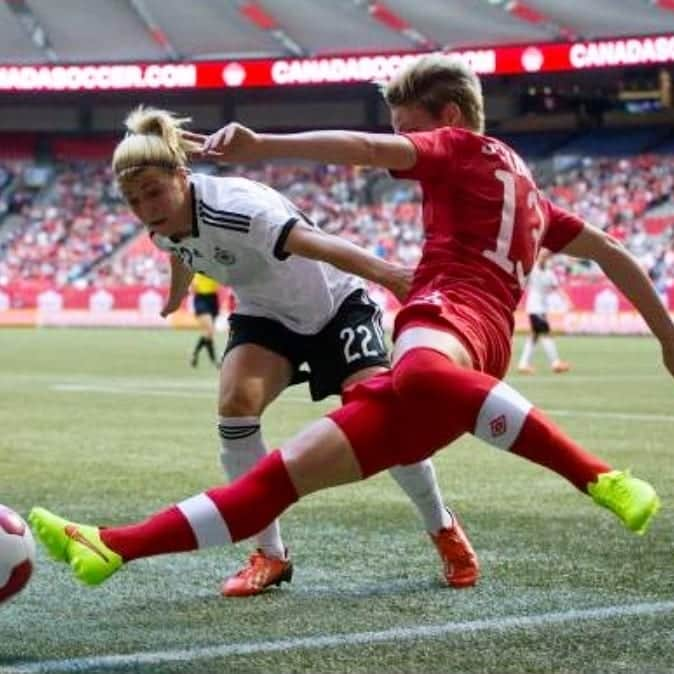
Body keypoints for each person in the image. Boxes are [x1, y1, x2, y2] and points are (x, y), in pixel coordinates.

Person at [30, 56, 671, 589]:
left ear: (445, 120)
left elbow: (362, 152)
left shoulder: (453, 145)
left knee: (417, 372)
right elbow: (612, 252)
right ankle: (114, 546)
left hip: (430, 312)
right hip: (471, 339)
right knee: (280, 475)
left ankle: (598, 477)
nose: (403, 148)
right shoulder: (530, 193)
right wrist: (668, 339)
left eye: (408, 131)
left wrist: (262, 145)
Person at [45, 106, 478, 596]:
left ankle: (442, 526)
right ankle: (270, 554)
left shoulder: (238, 208)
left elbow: (315, 242)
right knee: (235, 407)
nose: (145, 207)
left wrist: (392, 276)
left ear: (182, 177)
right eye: (133, 199)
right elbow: (181, 252)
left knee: (384, 422)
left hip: (336, 304)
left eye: (153, 192)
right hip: (266, 315)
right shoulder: (161, 224)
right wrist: (175, 296)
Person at [517, 250, 571, 374]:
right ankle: (555, 362)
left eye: (547, 256)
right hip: (535, 308)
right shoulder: (534, 270)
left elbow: (556, 288)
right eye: (542, 256)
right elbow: (523, 281)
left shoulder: (549, 273)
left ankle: (523, 364)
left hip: (541, 309)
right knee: (546, 334)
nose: (544, 258)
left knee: (534, 336)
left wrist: (567, 300)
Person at [188, 272, 220, 368]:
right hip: (201, 299)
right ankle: (210, 359)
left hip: (213, 299)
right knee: (209, 330)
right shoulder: (198, 265)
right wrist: (192, 285)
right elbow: (191, 286)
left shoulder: (216, 266)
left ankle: (197, 354)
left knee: (208, 333)